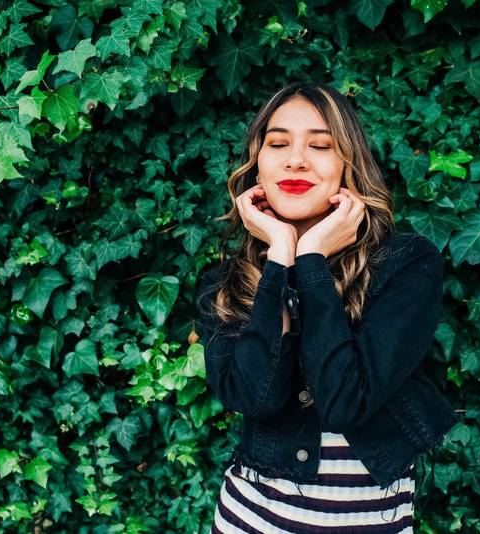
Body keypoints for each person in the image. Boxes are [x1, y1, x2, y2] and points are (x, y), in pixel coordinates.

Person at [195, 81, 461, 533]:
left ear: (347, 167)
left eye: (320, 145)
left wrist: (312, 260)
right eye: (278, 143)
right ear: (257, 166)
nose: (295, 158)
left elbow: (345, 402)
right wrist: (282, 255)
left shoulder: (407, 265)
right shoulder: (225, 284)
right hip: (250, 520)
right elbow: (253, 397)